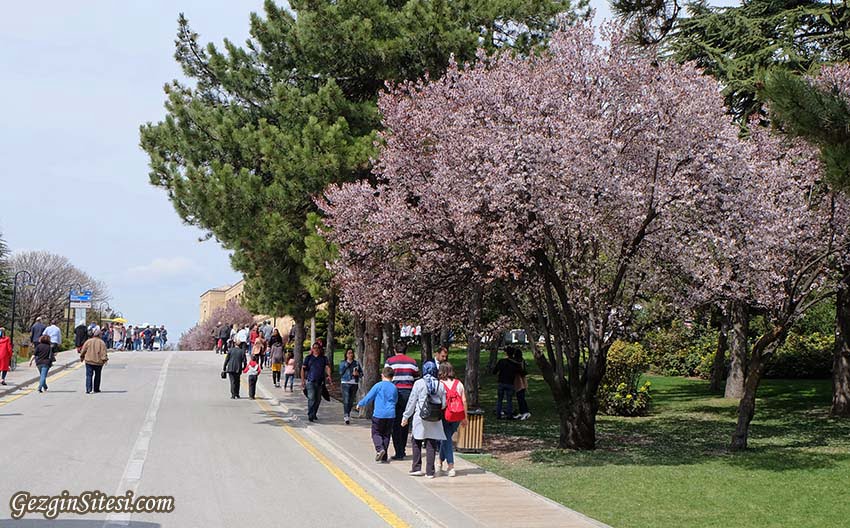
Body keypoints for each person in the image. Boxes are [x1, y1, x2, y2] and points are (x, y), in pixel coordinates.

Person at [401, 361, 446, 478]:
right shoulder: (440, 385)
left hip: (420, 417)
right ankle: (430, 471)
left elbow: (412, 401)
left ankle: (416, 467)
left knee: (416, 441)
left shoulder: (419, 383)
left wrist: (406, 416)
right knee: (431, 443)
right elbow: (444, 404)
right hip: (435, 418)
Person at [356, 366, 398, 462]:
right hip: (391, 414)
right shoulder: (394, 387)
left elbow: (369, 397)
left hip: (379, 413)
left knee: (376, 433)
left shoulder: (378, 386)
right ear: (392, 377)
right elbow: (395, 400)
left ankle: (380, 449)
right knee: (386, 434)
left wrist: (360, 403)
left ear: (382, 375)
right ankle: (384, 456)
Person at [385, 342, 419, 460]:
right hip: (408, 394)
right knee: (405, 421)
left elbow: (386, 377)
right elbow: (416, 378)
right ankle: (402, 449)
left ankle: (398, 450)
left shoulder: (390, 361)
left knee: (395, 422)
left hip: (393, 392)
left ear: (395, 350)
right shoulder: (413, 362)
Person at [438, 363, 468, 477]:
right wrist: (465, 417)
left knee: (447, 439)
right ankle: (440, 461)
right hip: (457, 415)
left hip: (445, 415)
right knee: (447, 438)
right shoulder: (459, 383)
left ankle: (451, 466)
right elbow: (464, 401)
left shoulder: (440, 384)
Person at [301, 342, 332, 422]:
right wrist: (303, 380)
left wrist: (329, 376)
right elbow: (303, 369)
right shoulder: (308, 358)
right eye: (314, 348)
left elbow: (327, 367)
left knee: (318, 399)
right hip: (311, 381)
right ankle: (310, 415)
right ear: (312, 349)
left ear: (320, 349)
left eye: (317, 348)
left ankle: (314, 413)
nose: (316, 349)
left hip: (320, 382)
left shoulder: (323, 358)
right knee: (311, 398)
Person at [493, 347, 522, 419]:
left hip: (501, 382)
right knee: (509, 400)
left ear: (506, 353)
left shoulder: (501, 361)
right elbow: (521, 372)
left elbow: (494, 371)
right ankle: (509, 415)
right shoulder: (515, 363)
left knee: (500, 399)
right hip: (510, 383)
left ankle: (498, 414)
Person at [80, 329, 109, 394]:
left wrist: (82, 357)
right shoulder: (102, 343)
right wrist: (105, 359)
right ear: (99, 335)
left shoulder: (88, 341)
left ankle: (88, 389)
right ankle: (96, 389)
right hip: (98, 362)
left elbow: (83, 350)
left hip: (89, 361)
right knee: (97, 375)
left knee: (89, 375)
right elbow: (103, 352)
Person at [339, 348, 362, 424]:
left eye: (351, 353)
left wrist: (358, 374)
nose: (350, 354)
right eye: (349, 353)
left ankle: (347, 413)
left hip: (354, 383)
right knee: (346, 400)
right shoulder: (343, 363)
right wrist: (347, 365)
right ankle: (346, 416)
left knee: (351, 401)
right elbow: (340, 372)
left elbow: (361, 373)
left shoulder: (356, 363)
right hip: (345, 382)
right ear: (346, 354)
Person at [511, 348, 531, 420]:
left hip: (519, 381)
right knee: (520, 397)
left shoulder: (517, 363)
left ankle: (525, 411)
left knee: (521, 398)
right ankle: (523, 411)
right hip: (522, 381)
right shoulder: (522, 361)